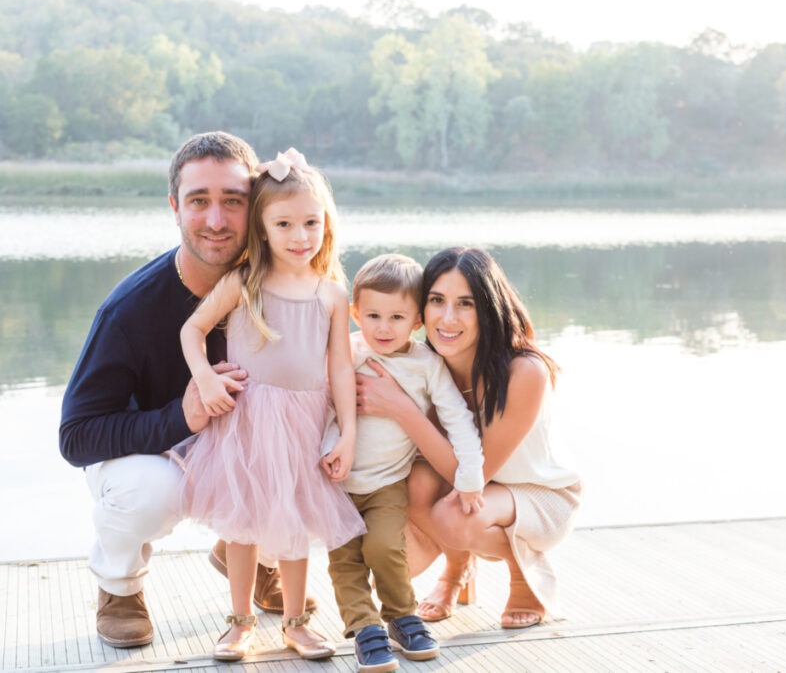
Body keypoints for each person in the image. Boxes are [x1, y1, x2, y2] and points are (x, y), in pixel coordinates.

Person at [58, 131, 313, 649]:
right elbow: (76, 437)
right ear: (175, 207)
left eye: (234, 202)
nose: (216, 220)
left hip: (243, 447)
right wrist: (182, 417)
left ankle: (250, 551)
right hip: (154, 456)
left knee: (325, 444)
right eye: (199, 201)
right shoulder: (128, 310)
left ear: (256, 208)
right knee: (153, 491)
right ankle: (120, 585)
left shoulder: (284, 286)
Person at [178, 148, 366, 662]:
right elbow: (192, 331)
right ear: (261, 229)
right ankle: (239, 623)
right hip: (248, 420)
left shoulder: (330, 293)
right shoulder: (244, 284)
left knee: (295, 521)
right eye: (284, 224)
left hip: (305, 420)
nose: (300, 236)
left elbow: (341, 368)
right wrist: (205, 381)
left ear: (326, 225)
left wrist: (346, 433)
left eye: (311, 223)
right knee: (243, 521)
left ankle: (296, 623)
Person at [355, 247, 583, 630]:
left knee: (451, 516)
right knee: (412, 485)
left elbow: (473, 474)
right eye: (436, 301)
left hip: (537, 494)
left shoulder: (524, 371)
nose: (447, 318)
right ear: (418, 311)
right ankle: (457, 570)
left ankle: (522, 575)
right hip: (475, 493)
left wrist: (403, 408)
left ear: (488, 308)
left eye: (465, 304)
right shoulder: (423, 362)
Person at [321, 253, 485, 672]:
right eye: (372, 315)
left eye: (396, 317)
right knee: (345, 562)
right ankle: (365, 629)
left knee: (384, 548)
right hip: (335, 484)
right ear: (354, 313)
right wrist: (327, 448)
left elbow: (457, 419)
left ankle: (401, 616)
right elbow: (322, 408)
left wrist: (470, 476)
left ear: (417, 322)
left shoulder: (426, 365)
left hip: (386, 484)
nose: (382, 327)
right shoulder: (346, 352)